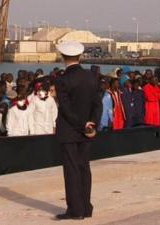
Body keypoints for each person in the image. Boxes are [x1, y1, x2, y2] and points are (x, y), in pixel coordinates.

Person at [55, 41, 102, 220]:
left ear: (62, 56)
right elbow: (97, 105)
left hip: (69, 131)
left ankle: (75, 210)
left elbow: (66, 110)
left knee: (72, 170)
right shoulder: (91, 77)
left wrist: (82, 124)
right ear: (80, 56)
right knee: (84, 168)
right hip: (88, 130)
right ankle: (86, 207)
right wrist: (92, 124)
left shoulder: (62, 79)